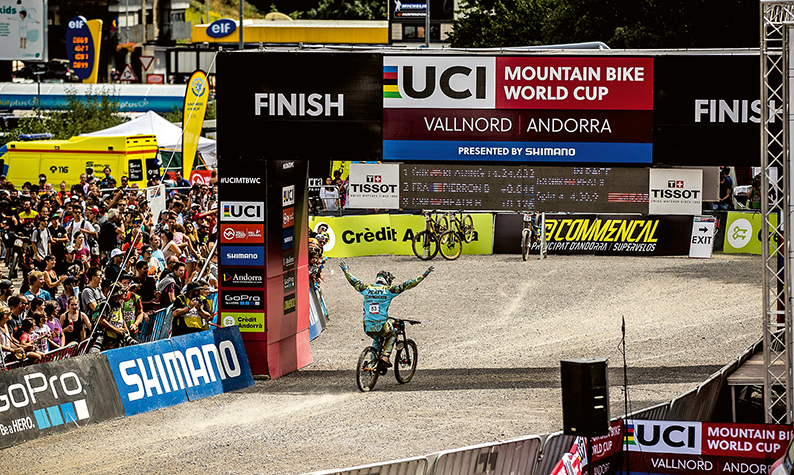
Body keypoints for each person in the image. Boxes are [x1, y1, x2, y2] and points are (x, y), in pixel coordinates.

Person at [339, 261, 433, 367]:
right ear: (387, 280)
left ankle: (372, 365)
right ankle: (385, 356)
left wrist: (345, 270)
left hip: (367, 326)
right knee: (392, 334)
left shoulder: (366, 288)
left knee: (376, 337)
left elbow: (353, 281)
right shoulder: (388, 290)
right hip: (381, 326)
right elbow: (408, 284)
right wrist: (424, 275)